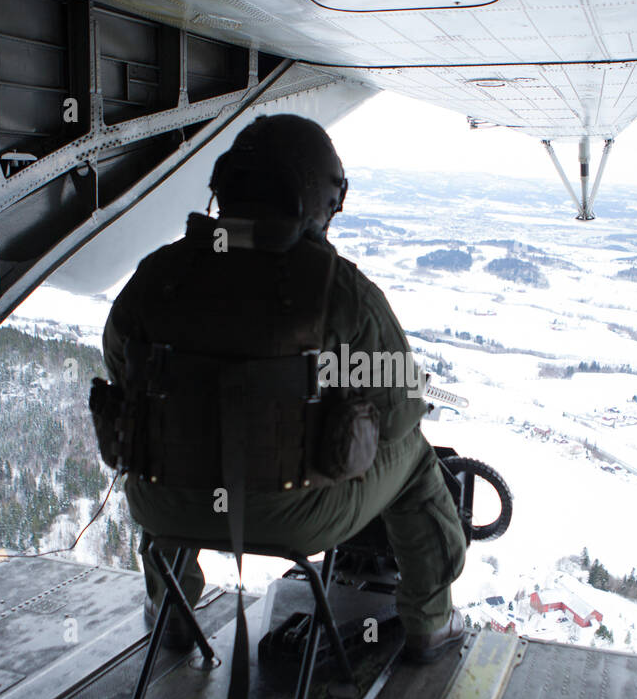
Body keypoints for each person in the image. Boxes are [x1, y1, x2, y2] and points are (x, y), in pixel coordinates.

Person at [100, 114, 467, 663]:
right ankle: (430, 624)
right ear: (320, 199)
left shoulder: (157, 275)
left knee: (169, 457)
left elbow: (124, 380)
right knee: (415, 461)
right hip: (300, 515)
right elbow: (399, 415)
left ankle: (169, 617)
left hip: (168, 508)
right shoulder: (340, 290)